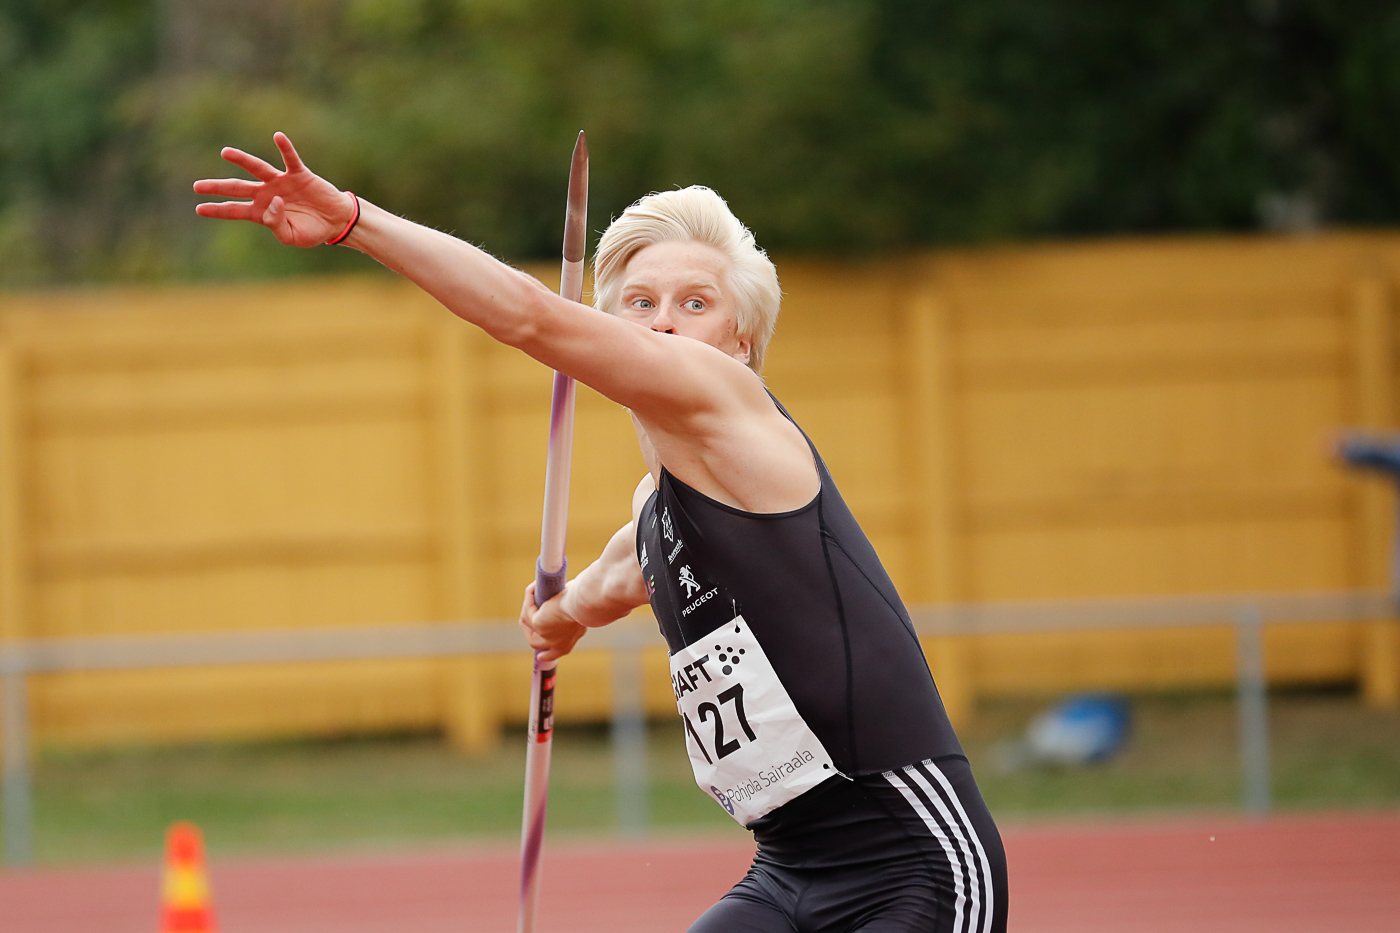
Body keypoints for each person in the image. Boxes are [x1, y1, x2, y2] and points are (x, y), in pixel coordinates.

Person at [194, 133, 1008, 933]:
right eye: (640, 304)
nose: (662, 326)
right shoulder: (659, 516)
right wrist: (559, 618)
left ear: (741, 340)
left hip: (915, 862)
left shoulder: (731, 404)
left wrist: (351, 220)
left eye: (696, 304)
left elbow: (525, 317)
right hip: (789, 870)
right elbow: (615, 578)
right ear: (612, 322)